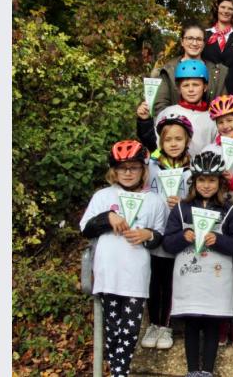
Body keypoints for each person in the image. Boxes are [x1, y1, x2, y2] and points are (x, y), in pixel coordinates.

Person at [80, 140, 168, 377]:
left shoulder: (155, 201)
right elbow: (85, 228)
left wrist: (147, 234)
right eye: (122, 168)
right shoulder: (102, 196)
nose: (128, 173)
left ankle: (121, 372)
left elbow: (160, 235)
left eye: (134, 167)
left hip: (136, 275)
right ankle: (119, 371)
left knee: (129, 331)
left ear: (143, 170)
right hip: (108, 273)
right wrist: (107, 217)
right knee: (113, 329)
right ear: (114, 170)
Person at [162, 151, 233, 376]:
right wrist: (183, 237)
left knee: (211, 325)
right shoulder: (181, 208)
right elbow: (168, 243)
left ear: (220, 182)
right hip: (189, 279)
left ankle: (207, 370)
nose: (206, 185)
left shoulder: (230, 210)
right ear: (193, 182)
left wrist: (218, 240)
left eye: (211, 180)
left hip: (215, 280)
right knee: (191, 325)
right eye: (201, 180)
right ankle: (192, 371)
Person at [141, 114, 194, 351]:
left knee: (173, 282)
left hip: (179, 234)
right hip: (154, 232)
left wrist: (184, 202)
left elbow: (201, 198)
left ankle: (167, 325)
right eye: (168, 139)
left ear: (187, 140)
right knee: (155, 281)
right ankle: (154, 323)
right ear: (160, 142)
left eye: (178, 139)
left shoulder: (193, 168)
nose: (173, 144)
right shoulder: (151, 166)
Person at [139, 60, 217, 156]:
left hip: (203, 169)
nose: (191, 90)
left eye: (196, 85)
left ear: (205, 87)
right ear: (179, 88)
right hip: (172, 169)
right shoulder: (168, 113)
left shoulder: (212, 118)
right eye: (185, 85)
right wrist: (144, 122)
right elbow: (154, 144)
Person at [151, 19, 229, 114]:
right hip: (175, 125)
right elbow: (160, 106)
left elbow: (223, 107)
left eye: (199, 39)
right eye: (190, 38)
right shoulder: (169, 70)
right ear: (182, 42)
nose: (194, 43)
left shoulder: (217, 72)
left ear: (204, 43)